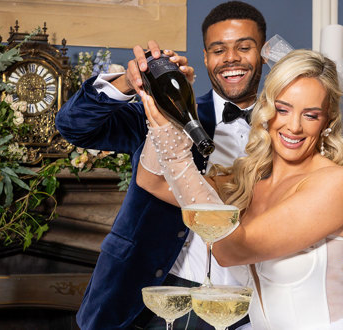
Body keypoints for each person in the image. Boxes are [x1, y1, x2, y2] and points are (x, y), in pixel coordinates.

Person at [137, 48, 343, 329]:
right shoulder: (249, 180)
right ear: (267, 110)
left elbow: (231, 250)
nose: (294, 127)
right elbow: (153, 181)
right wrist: (165, 114)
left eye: (311, 115)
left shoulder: (337, 184)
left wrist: (177, 156)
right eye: (282, 109)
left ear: (327, 121)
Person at [55, 1, 266, 329]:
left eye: (244, 46)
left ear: (263, 52)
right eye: (218, 49)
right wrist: (129, 82)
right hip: (158, 295)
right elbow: (74, 125)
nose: (231, 58)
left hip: (249, 302)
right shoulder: (165, 111)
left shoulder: (289, 128)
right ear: (206, 57)